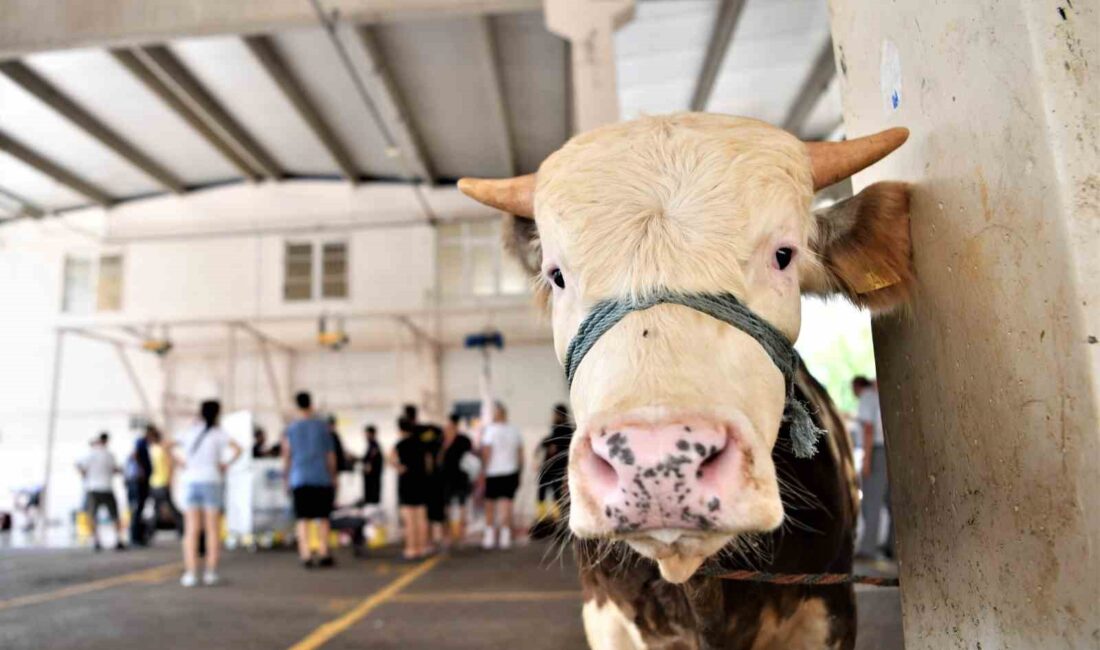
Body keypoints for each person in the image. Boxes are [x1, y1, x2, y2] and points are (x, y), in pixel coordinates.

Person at [176, 400, 242, 587]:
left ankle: (190, 573)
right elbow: (238, 449)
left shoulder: (190, 431)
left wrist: (181, 462)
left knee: (191, 530)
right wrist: (225, 464)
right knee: (213, 529)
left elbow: (167, 444)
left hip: (191, 481)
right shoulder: (218, 433)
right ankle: (210, 572)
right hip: (212, 481)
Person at [283, 392, 337, 569]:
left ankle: (305, 554)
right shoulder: (323, 427)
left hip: (299, 477)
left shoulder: (290, 428)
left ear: (296, 406)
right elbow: (330, 456)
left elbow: (287, 456)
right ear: (311, 404)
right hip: (321, 477)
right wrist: (333, 476)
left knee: (302, 518)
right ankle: (323, 551)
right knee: (323, 517)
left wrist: (286, 478)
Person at [853, 376, 894, 560]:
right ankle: (893, 547)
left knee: (871, 502)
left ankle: (868, 549)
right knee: (892, 502)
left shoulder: (868, 396)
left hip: (877, 452)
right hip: (893, 451)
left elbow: (868, 428)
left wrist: (867, 460)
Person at [480, 401, 524, 551]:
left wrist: (483, 470)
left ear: (497, 414)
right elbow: (520, 454)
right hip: (510, 471)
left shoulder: (490, 430)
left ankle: (490, 537)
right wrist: (519, 471)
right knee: (506, 504)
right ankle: (505, 537)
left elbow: (486, 452)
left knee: (490, 505)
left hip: (493, 472)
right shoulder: (514, 431)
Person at [77, 432, 125, 551]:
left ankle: (97, 541)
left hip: (92, 488)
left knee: (92, 516)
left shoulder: (90, 454)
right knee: (114, 515)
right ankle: (118, 540)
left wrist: (85, 476)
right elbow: (116, 469)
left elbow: (79, 466)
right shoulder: (109, 455)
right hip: (107, 488)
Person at [391, 416, 430, 560]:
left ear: (400, 429)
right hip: (421, 482)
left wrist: (400, 468)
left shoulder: (400, 444)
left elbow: (391, 460)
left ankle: (411, 549)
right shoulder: (421, 443)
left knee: (409, 519)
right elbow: (428, 463)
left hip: (407, 483)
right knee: (421, 517)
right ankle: (423, 547)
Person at [436, 414, 474, 547]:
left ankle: (462, 536)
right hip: (445, 479)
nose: (448, 429)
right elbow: (438, 459)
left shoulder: (464, 440)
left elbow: (471, 458)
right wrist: (444, 446)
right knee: (446, 508)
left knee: (463, 507)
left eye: (451, 426)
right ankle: (447, 536)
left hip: (461, 478)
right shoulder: (441, 440)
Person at [537, 404, 573, 521]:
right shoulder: (567, 429)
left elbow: (550, 443)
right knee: (555, 493)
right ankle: (555, 519)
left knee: (544, 492)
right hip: (559, 467)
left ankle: (544, 519)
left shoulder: (561, 429)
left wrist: (544, 444)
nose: (552, 417)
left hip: (552, 467)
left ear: (559, 415)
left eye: (554, 414)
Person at [148, 426, 183, 540]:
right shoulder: (153, 449)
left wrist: (169, 480)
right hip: (155, 482)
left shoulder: (161, 448)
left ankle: (182, 529)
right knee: (158, 508)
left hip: (161, 482)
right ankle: (150, 533)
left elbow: (172, 464)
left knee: (168, 507)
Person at [125, 426, 154, 546]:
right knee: (137, 509)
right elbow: (135, 455)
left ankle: (138, 536)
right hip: (138, 481)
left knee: (139, 509)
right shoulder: (140, 442)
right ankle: (135, 537)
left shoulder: (144, 445)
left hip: (141, 481)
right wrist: (141, 470)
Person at [360, 425, 383, 507]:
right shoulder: (371, 445)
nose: (365, 436)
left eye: (367, 433)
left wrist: (368, 466)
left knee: (372, 499)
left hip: (373, 477)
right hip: (371, 477)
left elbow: (371, 460)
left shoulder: (374, 445)